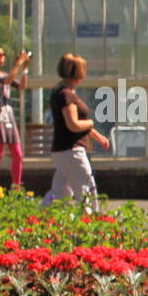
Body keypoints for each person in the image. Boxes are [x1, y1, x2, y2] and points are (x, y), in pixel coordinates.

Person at [43, 54, 108, 211]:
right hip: (72, 150)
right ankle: (91, 221)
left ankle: (41, 216)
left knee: (60, 192)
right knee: (86, 187)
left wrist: (97, 136)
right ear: (78, 72)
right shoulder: (67, 95)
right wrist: (91, 122)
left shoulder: (60, 91)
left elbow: (77, 123)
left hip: (62, 150)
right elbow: (73, 124)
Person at [0, 41, 29, 191]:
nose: (3, 58)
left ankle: (16, 185)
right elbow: (7, 81)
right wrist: (18, 64)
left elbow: (21, 86)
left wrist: (24, 68)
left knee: (17, 152)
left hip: (8, 114)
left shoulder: (4, 74)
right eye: (0, 55)